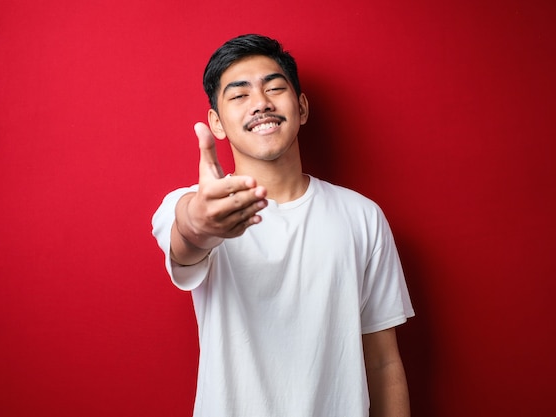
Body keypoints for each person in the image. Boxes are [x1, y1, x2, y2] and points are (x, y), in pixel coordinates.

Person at [152, 34, 414, 417]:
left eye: (274, 88)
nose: (261, 103)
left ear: (302, 107)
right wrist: (200, 224)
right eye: (239, 96)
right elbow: (187, 237)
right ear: (217, 123)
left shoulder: (363, 216)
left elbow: (383, 362)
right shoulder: (190, 205)